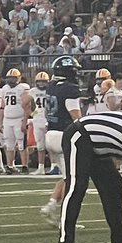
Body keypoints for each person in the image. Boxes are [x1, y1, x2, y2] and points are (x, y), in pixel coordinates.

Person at [57, 106, 122, 243]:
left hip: (95, 143)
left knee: (114, 184)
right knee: (76, 186)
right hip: (79, 134)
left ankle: (119, 239)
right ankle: (65, 241)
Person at [40, 55, 85, 226]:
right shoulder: (70, 89)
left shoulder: (51, 86)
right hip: (64, 136)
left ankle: (51, 206)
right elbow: (76, 117)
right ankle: (66, 219)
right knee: (75, 180)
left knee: (68, 177)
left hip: (51, 134)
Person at [0, 67, 31, 174]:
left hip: (19, 119)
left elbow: (27, 106)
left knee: (22, 144)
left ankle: (25, 166)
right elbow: (2, 107)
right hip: (8, 119)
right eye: (9, 78)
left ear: (19, 78)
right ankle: (10, 166)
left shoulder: (22, 88)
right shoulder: (4, 89)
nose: (11, 80)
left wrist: (25, 121)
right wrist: (0, 123)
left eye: (13, 78)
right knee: (9, 144)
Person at [28, 69, 51, 174]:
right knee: (40, 145)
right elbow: (24, 103)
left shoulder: (51, 90)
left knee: (51, 145)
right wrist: (32, 114)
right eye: (39, 81)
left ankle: (54, 166)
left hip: (49, 119)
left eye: (44, 81)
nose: (41, 83)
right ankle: (41, 167)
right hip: (38, 119)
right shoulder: (33, 91)